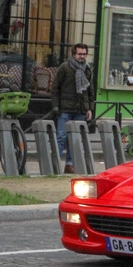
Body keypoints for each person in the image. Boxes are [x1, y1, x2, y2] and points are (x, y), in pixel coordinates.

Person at [51, 43, 95, 174]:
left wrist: (89, 108)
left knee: (74, 139)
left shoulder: (87, 69)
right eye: (79, 54)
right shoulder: (65, 67)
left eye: (84, 54)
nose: (82, 56)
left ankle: (69, 164)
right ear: (73, 54)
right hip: (65, 108)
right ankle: (55, 164)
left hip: (80, 109)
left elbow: (89, 91)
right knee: (61, 136)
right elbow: (55, 88)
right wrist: (55, 105)